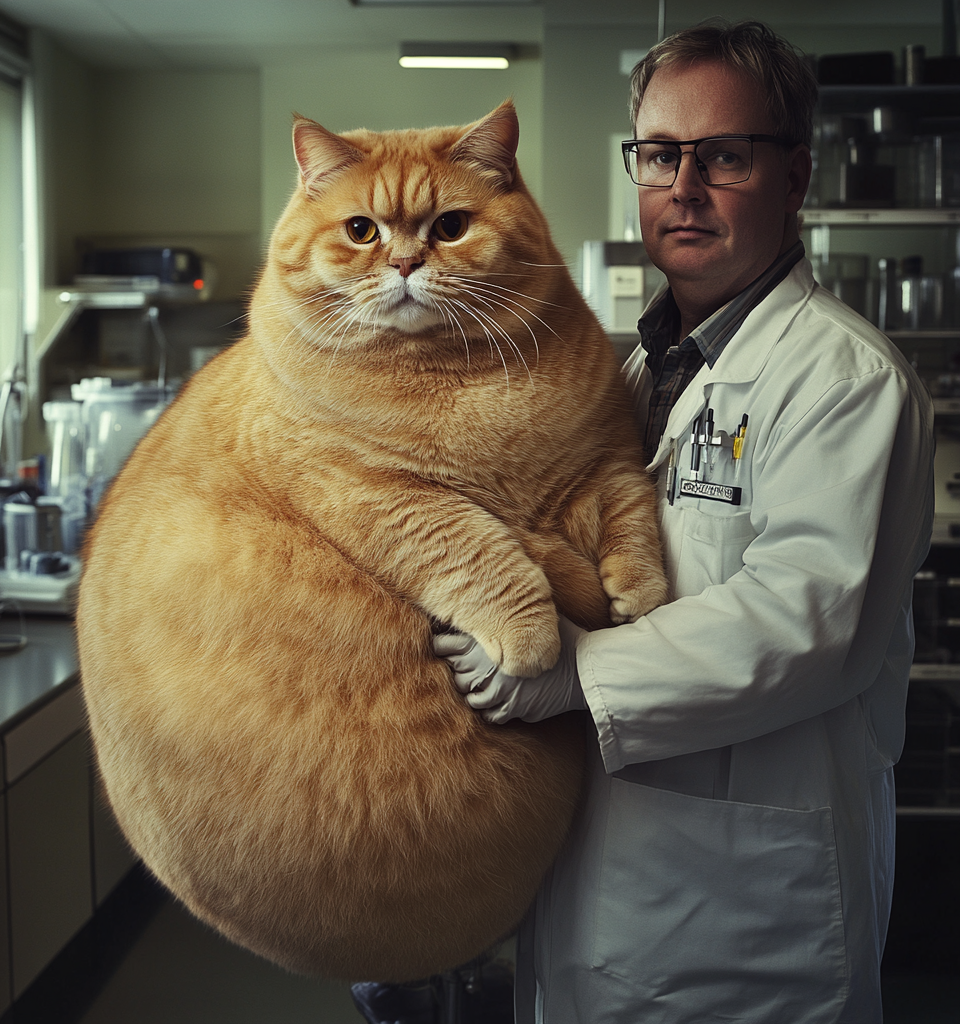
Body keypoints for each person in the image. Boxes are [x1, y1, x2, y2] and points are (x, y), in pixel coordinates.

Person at [434, 19, 935, 1024]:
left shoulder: (843, 380)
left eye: (724, 156)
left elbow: (807, 622)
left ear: (793, 177)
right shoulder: (634, 370)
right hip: (596, 881)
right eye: (659, 153)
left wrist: (574, 671)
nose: (684, 186)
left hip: (747, 918)